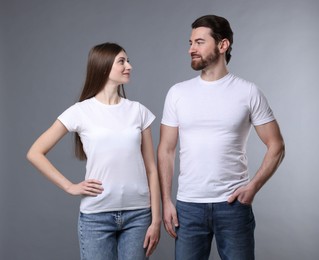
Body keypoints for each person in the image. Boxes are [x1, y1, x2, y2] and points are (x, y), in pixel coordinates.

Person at [157, 14, 285, 260]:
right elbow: (166, 150)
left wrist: (253, 187)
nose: (191, 49)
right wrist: (166, 201)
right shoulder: (177, 93)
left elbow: (276, 145)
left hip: (233, 206)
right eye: (190, 42)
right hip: (188, 206)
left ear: (222, 45)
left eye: (199, 42)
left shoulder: (248, 92)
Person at [27, 42, 161, 260]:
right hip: (96, 218)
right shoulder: (80, 111)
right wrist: (69, 186)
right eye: (122, 61)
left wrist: (155, 221)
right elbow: (35, 152)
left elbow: (152, 170)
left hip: (139, 216)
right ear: (104, 66)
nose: (129, 66)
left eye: (128, 61)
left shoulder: (138, 111)